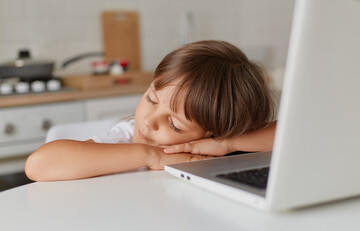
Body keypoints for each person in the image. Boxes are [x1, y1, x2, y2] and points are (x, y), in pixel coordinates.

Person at [25, 40, 276, 182]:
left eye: (174, 124)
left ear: (210, 133)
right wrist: (151, 156)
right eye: (151, 99)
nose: (148, 121)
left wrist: (227, 144)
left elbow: (296, 135)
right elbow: (38, 165)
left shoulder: (217, 145)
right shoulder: (125, 139)